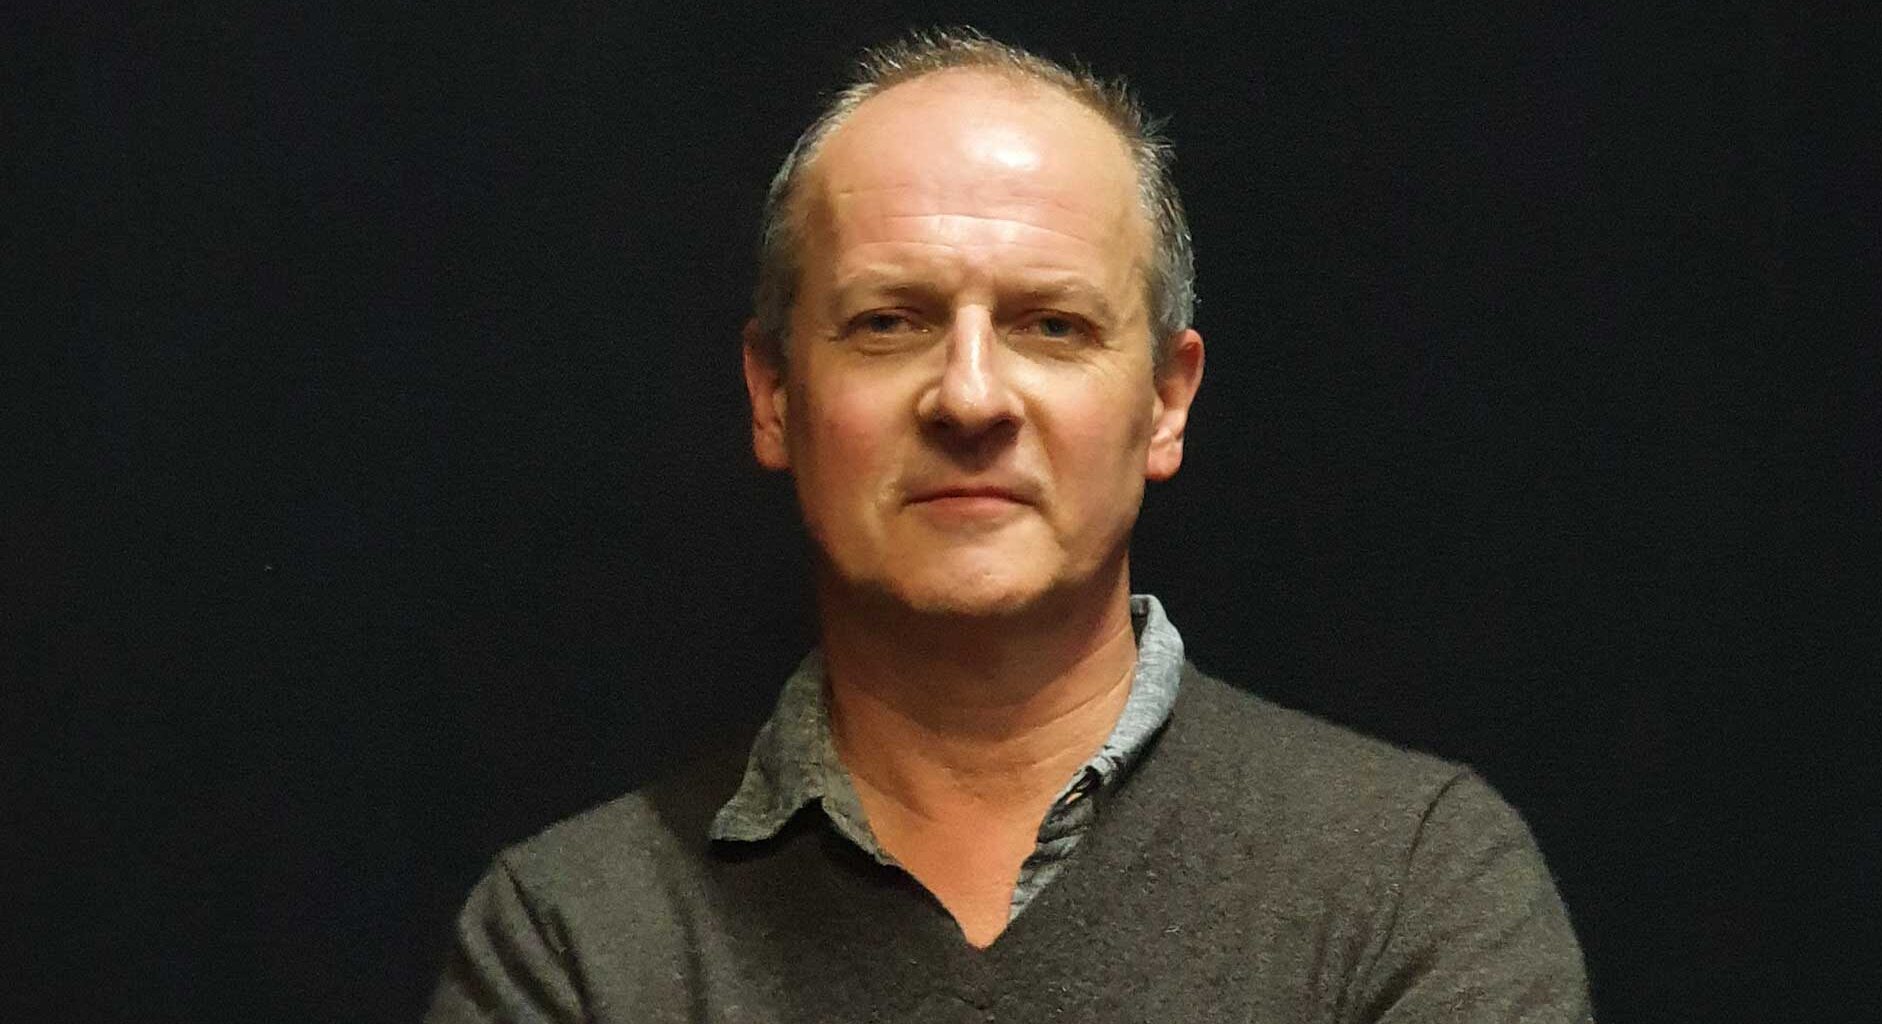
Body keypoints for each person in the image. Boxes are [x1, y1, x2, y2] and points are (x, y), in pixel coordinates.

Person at [425, 28, 1591, 1023]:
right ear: (774, 393)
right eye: (889, 322)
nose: (972, 397)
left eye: (1051, 326)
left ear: (1165, 402)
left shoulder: (1412, 884)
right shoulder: (572, 940)